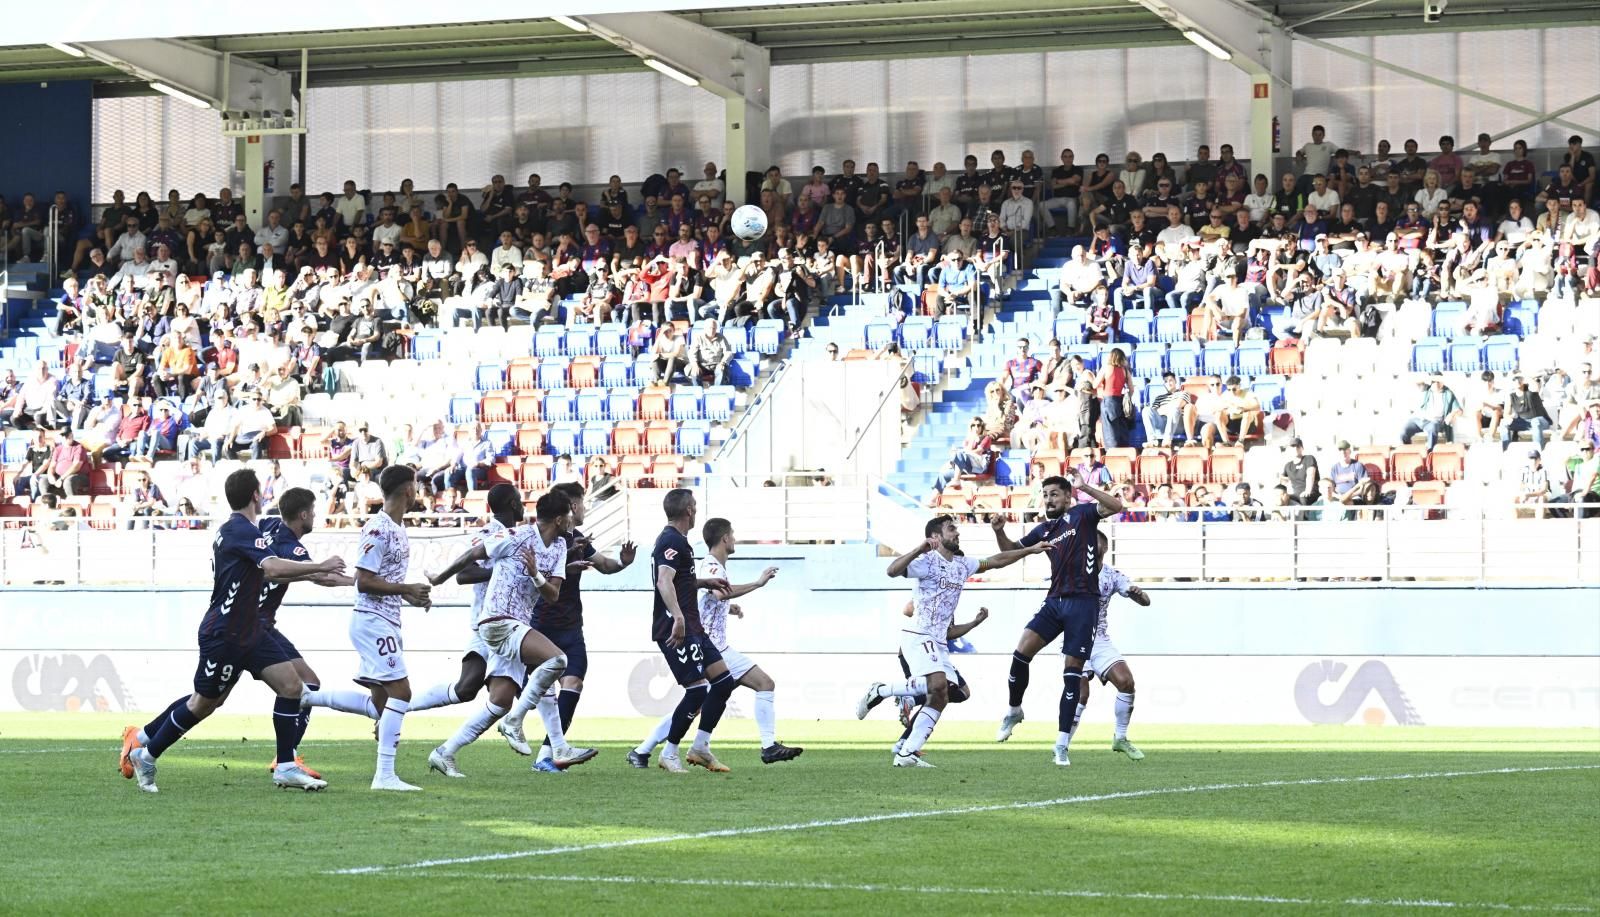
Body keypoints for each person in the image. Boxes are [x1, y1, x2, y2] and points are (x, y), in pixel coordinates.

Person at [118, 469, 347, 794]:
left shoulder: (258, 528)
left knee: (293, 685)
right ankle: (146, 753)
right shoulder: (239, 529)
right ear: (256, 495)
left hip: (250, 630)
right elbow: (271, 567)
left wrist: (342, 578)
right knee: (204, 703)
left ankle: (284, 765)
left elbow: (272, 569)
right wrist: (320, 566)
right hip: (225, 631)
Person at [422, 489, 597, 778]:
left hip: (518, 625)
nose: (573, 517)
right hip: (497, 621)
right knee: (557, 661)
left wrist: (535, 573)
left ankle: (445, 752)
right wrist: (439, 577)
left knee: (499, 702)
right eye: (569, 513)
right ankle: (521, 724)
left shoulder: (559, 549)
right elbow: (475, 553)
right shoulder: (518, 536)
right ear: (558, 518)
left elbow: (552, 594)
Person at [854, 515, 1044, 767]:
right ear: (935, 537)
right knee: (938, 685)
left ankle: (906, 751)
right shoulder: (927, 561)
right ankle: (884, 696)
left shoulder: (962, 564)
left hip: (939, 642)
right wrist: (919, 549)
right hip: (918, 634)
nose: (957, 533)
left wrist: (1029, 551)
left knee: (946, 694)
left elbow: (996, 561)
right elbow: (891, 571)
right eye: (951, 528)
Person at [300, 466, 434, 791]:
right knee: (401, 693)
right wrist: (406, 590)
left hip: (384, 620)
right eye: (415, 486)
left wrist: (409, 594)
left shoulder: (397, 529)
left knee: (379, 705)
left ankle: (305, 698)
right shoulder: (379, 527)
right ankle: (384, 776)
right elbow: (365, 581)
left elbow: (379, 579)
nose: (417, 492)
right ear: (407, 491)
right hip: (373, 621)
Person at [493, 482, 636, 769]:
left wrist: (622, 562)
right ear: (569, 507)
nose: (582, 509)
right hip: (540, 624)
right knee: (523, 694)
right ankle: (518, 731)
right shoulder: (544, 539)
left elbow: (604, 565)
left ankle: (549, 754)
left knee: (573, 682)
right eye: (581, 503)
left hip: (571, 627)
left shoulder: (577, 538)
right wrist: (569, 555)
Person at [992, 471, 1124, 766]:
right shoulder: (1043, 530)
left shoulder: (1083, 515)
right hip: (1054, 601)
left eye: (1054, 494)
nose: (1049, 499)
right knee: (1020, 653)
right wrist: (1000, 532)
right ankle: (1015, 710)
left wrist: (1085, 487)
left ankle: (1062, 744)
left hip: (1083, 605)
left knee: (1072, 673)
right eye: (1046, 494)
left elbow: (1116, 507)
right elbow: (1011, 552)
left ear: (1067, 497)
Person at [626, 488, 734, 773]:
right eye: (695, 506)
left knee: (723, 682)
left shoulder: (680, 543)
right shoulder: (670, 540)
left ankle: (700, 747)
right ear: (688, 510)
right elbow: (664, 581)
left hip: (693, 626)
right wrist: (678, 617)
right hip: (676, 628)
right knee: (697, 690)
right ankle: (669, 752)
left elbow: (680, 581)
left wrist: (703, 583)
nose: (696, 510)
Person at [1056, 530, 1150, 762]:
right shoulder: (1073, 570)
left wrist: (1139, 595)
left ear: (1104, 547)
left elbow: (1145, 601)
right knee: (1081, 694)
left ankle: (1120, 738)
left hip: (1099, 640)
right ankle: (1062, 745)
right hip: (1075, 637)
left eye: (1093, 540)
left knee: (1126, 682)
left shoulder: (1112, 575)